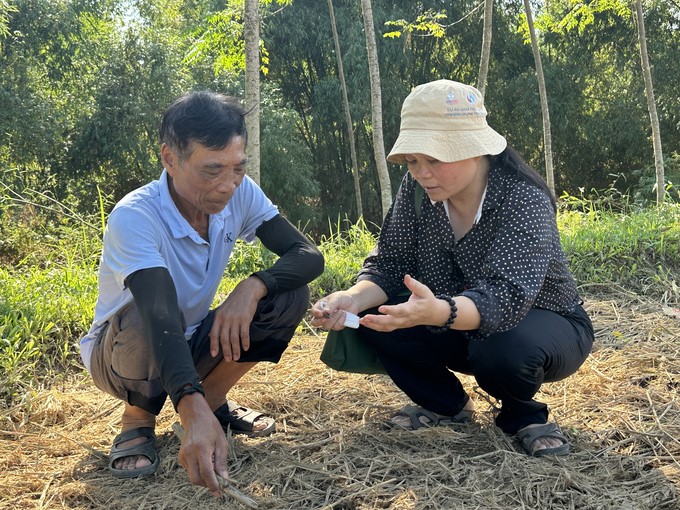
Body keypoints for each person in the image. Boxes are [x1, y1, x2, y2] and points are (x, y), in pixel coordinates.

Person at [310, 79, 593, 457]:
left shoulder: (522, 197)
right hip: (453, 320)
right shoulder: (416, 195)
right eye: (412, 161)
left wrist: (438, 311)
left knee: (504, 346)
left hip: (541, 324)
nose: (421, 173)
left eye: (434, 160)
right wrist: (351, 298)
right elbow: (389, 264)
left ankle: (523, 415)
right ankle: (446, 405)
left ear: (475, 151)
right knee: (374, 315)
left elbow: (506, 297)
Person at [79, 91, 324, 494]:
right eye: (212, 170)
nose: (228, 186)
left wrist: (254, 285)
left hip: (189, 339)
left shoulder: (240, 192)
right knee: (149, 315)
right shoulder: (135, 216)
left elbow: (308, 255)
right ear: (169, 159)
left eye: (238, 169)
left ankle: (211, 400)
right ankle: (137, 418)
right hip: (124, 350)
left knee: (288, 293)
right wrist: (187, 409)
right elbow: (158, 312)